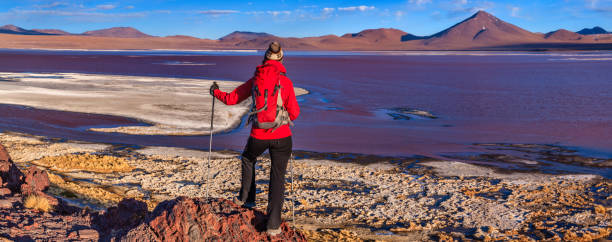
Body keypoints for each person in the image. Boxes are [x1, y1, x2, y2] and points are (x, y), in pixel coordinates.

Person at [209, 41, 300, 236]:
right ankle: (273, 225)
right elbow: (294, 113)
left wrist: (215, 91)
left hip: (258, 135)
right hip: (282, 137)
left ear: (265, 59)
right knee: (277, 177)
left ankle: (247, 199)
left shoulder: (255, 80)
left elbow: (231, 98)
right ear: (281, 60)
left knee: (248, 158)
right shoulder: (286, 82)